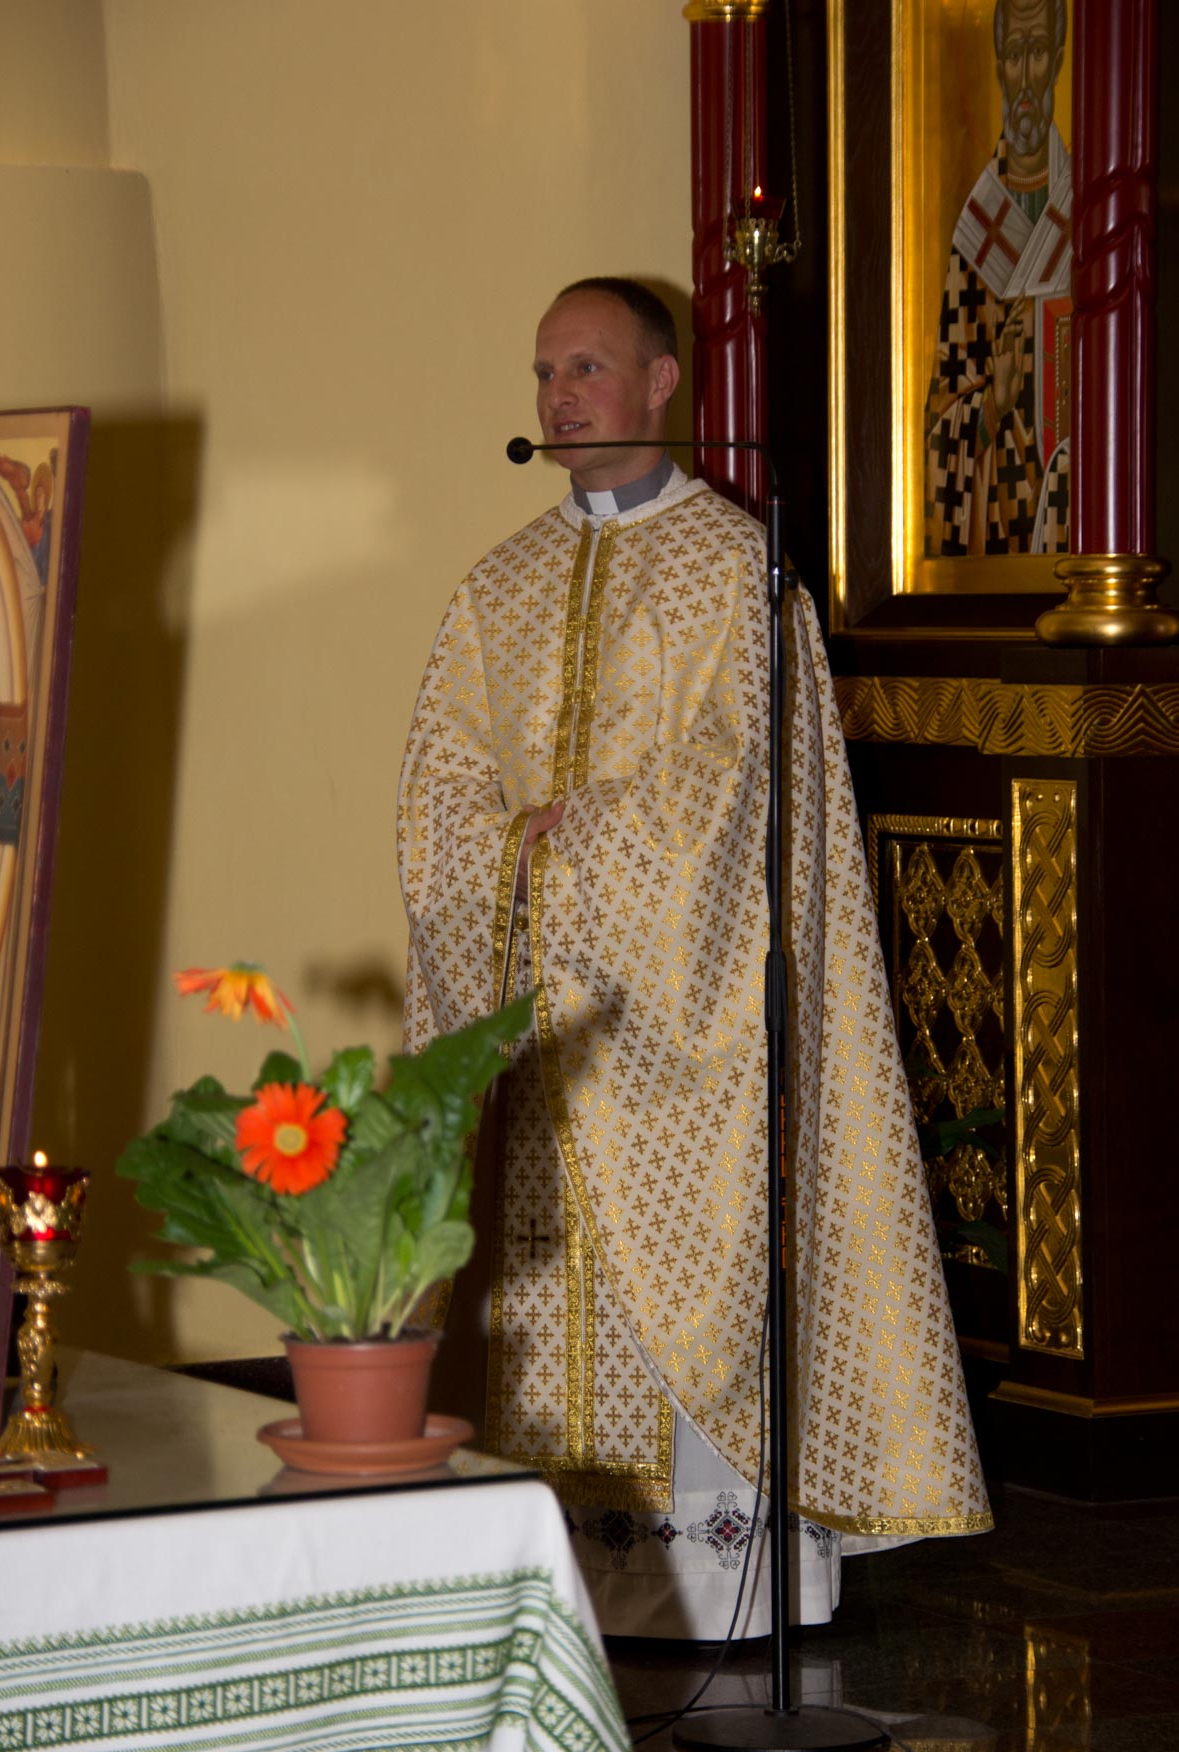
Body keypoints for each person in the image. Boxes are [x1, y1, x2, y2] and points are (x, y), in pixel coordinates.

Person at [398, 277, 990, 1639]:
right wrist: (510, 854)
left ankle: (721, 1585)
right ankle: (560, 1589)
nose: (558, 397)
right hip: (546, 1026)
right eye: (544, 372)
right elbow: (439, 789)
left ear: (663, 382)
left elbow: (744, 785)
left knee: (701, 1271)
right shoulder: (496, 587)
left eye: (586, 368)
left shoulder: (736, 572)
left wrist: (584, 843)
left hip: (686, 1025)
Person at [925, 0, 1071, 556]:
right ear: (998, 67)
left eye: (1038, 52)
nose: (1026, 76)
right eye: (1014, 55)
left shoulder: (1088, 210)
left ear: (1058, 59)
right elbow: (935, 441)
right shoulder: (976, 231)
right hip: (1000, 518)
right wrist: (993, 404)